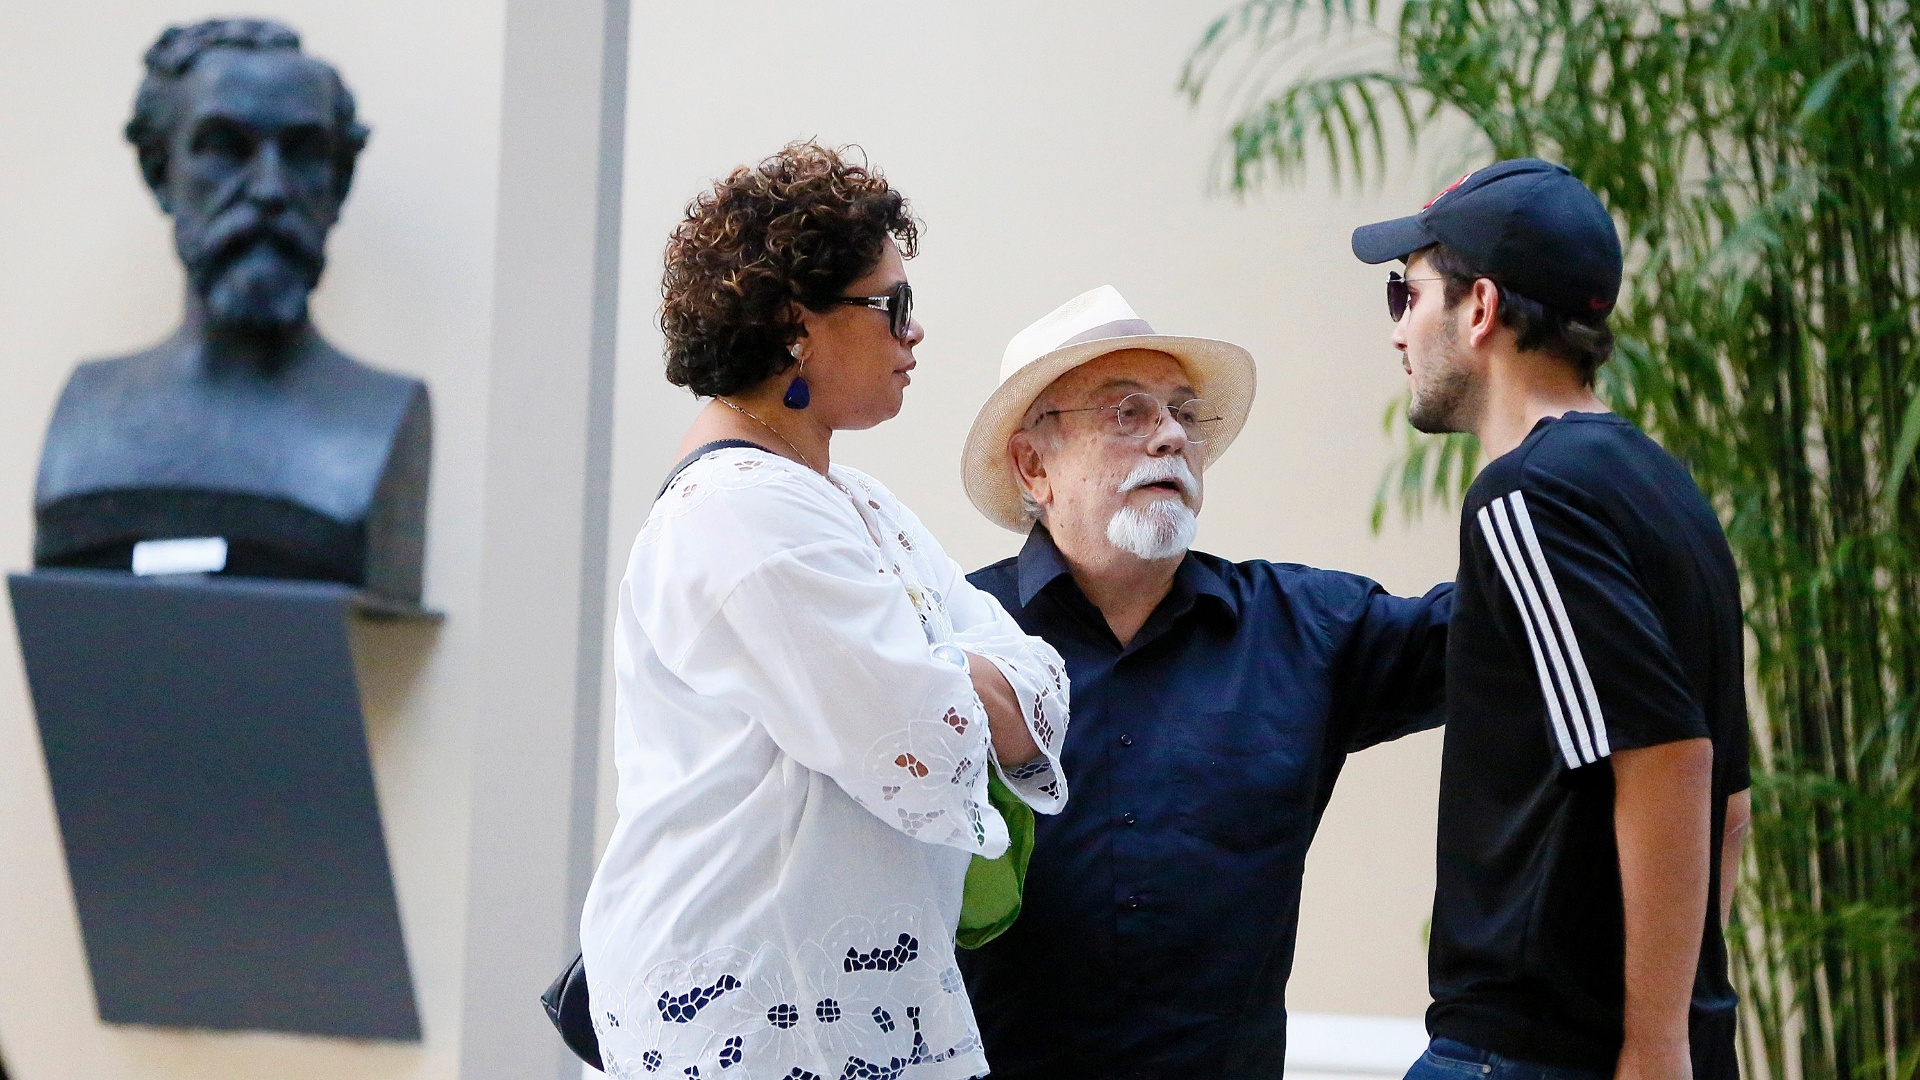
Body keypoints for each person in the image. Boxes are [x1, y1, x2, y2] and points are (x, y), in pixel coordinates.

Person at [579, 143, 1069, 1080]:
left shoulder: (857, 500)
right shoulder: (735, 511)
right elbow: (919, 738)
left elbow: (1039, 679)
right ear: (795, 323)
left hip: (864, 1004)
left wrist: (945, 675)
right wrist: (956, 678)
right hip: (752, 1016)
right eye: (892, 307)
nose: (913, 335)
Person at [954, 285, 1453, 1078]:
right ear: (1033, 465)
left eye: (1183, 413)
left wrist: (1554, 443)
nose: (1170, 437)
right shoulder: (950, 638)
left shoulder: (1302, 631)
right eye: (1126, 413)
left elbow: (1503, 627)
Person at [1350, 159, 1752, 1080]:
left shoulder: (1525, 495)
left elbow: (1667, 758)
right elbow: (1728, 809)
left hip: (1527, 1050)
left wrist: (1650, 1049)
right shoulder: (1667, 489)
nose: (1400, 331)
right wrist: (1676, 1020)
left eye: (1405, 293)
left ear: (1480, 308)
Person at [34, 18, 430, 602]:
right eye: (225, 148)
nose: (270, 189)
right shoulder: (88, 419)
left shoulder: (380, 422)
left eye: (303, 154)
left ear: (338, 185)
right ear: (159, 172)